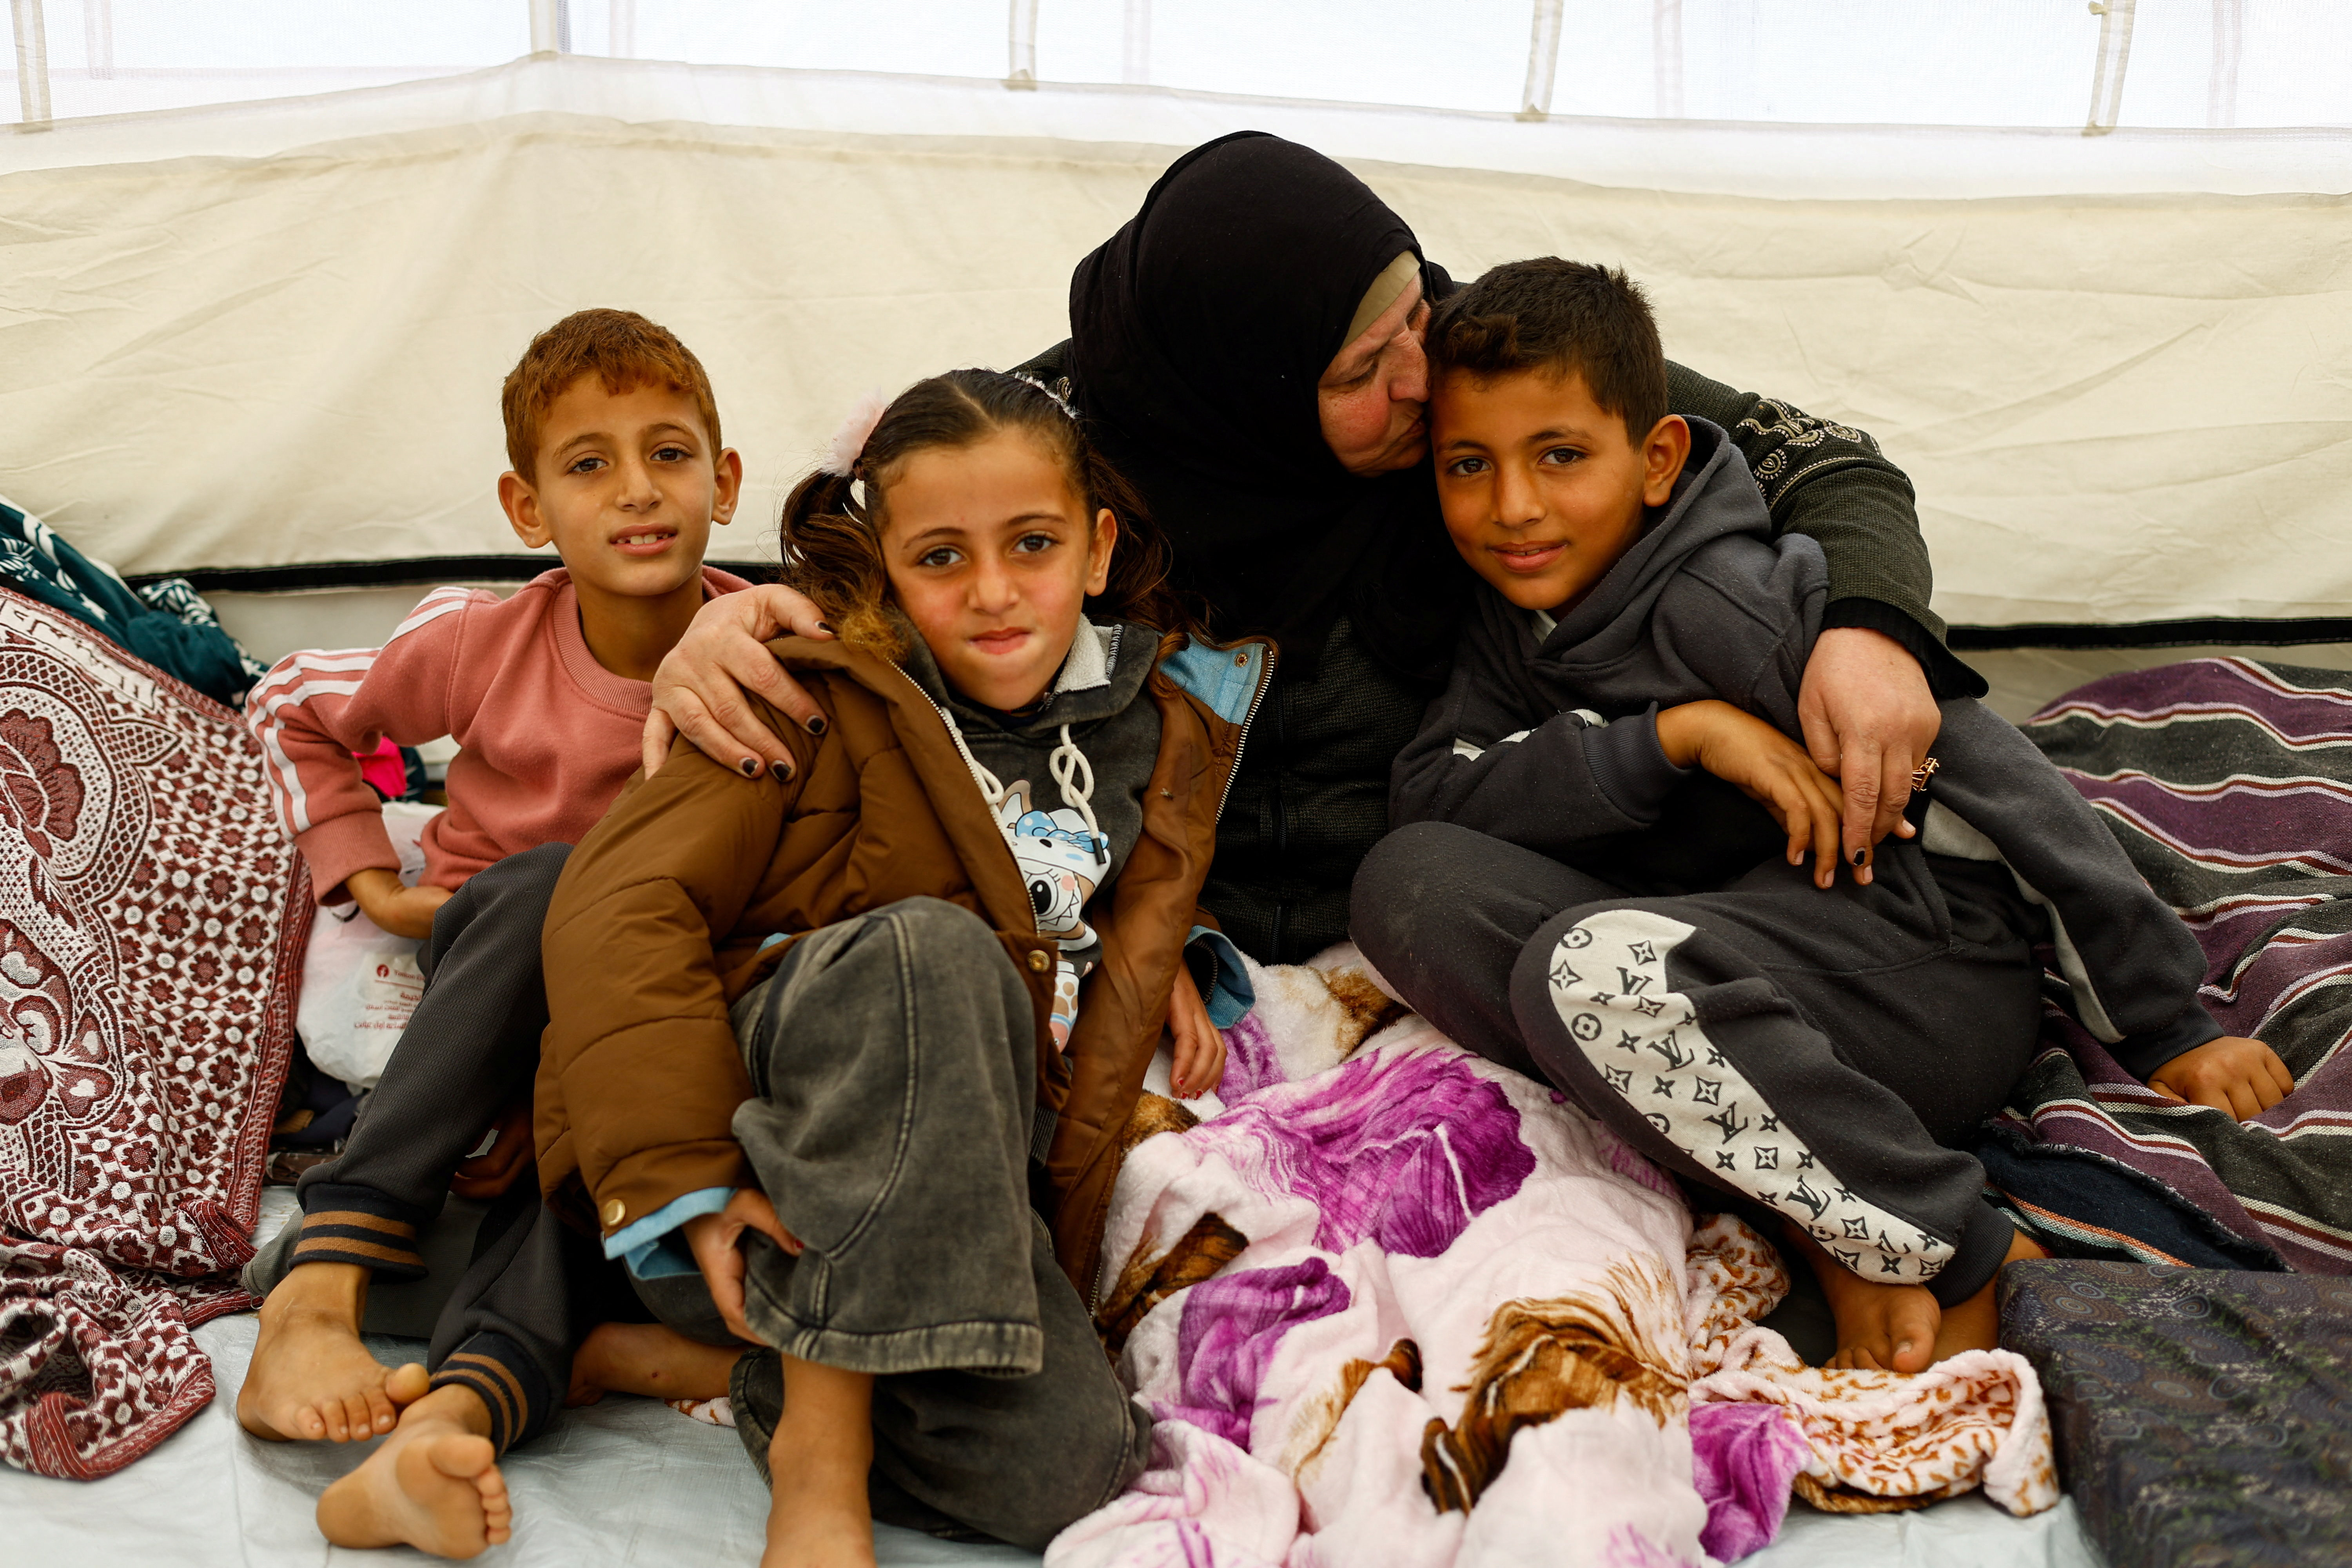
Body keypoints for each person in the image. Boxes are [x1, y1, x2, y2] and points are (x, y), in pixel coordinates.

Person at [638, 132, 1972, 963]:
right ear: (1244, 397)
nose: (1418, 377)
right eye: (1357, 370)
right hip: (1148, 939)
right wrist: (741, 613)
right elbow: (885, 539)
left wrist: (1869, 629)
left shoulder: (1484, 368)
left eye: (1415, 308)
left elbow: (1826, 458)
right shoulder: (1070, 426)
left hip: (1457, 904)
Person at [1349, 258, 2296, 1371]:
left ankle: (1965, 1247)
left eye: (1560, 457)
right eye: (1472, 467)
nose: (1515, 507)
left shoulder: (1740, 610)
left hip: (1921, 969)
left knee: (1594, 971)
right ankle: (1810, 1203)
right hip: (1725, 954)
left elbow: (2006, 789)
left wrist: (2168, 1026)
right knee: (1405, 887)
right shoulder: (1517, 618)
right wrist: (1675, 741)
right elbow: (1437, 791)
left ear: (1657, 460)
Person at [532, 369, 1259, 1566]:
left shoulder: (1150, 716)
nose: (990, 591)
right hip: (773, 1139)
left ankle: (736, 1369)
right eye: (938, 558)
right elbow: (618, 901)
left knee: (1069, 1470)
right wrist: (685, 1179)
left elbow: (1069, 861)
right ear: (881, 561)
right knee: (934, 952)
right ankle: (818, 1466)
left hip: (958, 1179)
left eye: (1031, 544)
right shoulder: (802, 689)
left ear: (1097, 549)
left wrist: (1160, 934)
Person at [234, 309, 750, 1552]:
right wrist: (366, 876)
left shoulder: (762, 657)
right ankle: (323, 1280)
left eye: (671, 455)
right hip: (488, 984)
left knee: (592, 1193)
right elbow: (289, 701)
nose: (637, 491)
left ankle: (449, 1430)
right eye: (589, 465)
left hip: (621, 1047)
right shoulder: (478, 639)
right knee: (561, 883)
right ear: (528, 508)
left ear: (726, 483)